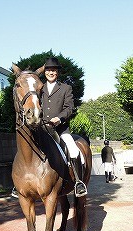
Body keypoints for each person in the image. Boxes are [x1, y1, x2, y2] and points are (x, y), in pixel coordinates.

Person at [41, 57, 87, 197]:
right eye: (48, 70)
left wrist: (59, 119)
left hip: (60, 130)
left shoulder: (66, 88)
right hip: (42, 130)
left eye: (53, 70)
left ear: (57, 72)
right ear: (45, 72)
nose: (51, 72)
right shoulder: (39, 88)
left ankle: (78, 182)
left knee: (73, 151)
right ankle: (18, 183)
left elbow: (69, 108)